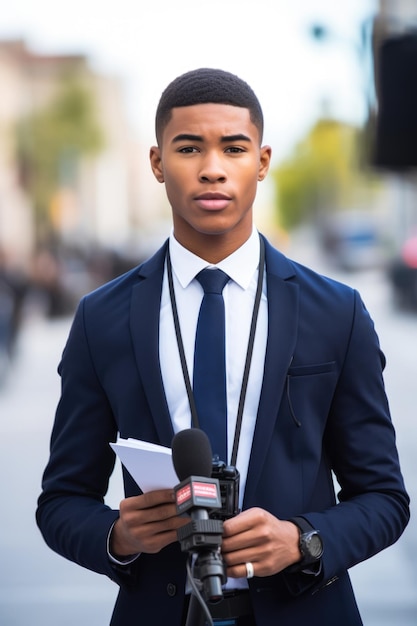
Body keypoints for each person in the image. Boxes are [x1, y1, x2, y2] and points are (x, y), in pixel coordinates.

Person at [37, 68, 410, 626]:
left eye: (233, 148)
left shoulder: (337, 311)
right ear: (158, 163)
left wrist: (303, 541)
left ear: (261, 162)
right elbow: (61, 502)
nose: (212, 169)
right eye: (189, 148)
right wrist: (118, 535)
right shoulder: (102, 318)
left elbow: (385, 497)